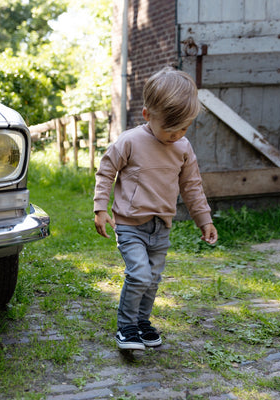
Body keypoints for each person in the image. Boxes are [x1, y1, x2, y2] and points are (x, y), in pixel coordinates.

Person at [93, 66, 218, 351]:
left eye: (183, 128)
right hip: (129, 224)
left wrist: (204, 220)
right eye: (169, 129)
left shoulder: (183, 148)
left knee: (152, 280)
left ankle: (141, 322)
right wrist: (101, 207)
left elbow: (192, 186)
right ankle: (126, 327)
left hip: (161, 227)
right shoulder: (130, 141)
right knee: (139, 274)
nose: (176, 135)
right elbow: (105, 171)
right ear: (147, 115)